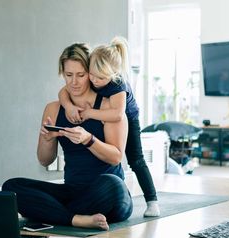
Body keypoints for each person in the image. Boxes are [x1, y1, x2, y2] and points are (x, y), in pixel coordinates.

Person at [2, 43, 133, 230]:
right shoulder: (54, 109)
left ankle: (52, 213)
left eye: (81, 75)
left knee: (113, 185)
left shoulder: (108, 108)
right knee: (11, 187)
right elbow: (44, 160)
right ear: (62, 73)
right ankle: (76, 219)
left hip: (105, 193)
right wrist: (47, 140)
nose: (74, 82)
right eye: (68, 75)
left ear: (91, 72)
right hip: (73, 192)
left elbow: (115, 157)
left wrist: (89, 140)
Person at [58, 37, 160, 217]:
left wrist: (90, 114)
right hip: (110, 115)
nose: (95, 81)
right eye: (91, 75)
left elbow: (117, 115)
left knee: (136, 160)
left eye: (101, 78)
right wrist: (69, 106)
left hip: (129, 117)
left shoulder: (118, 85)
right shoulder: (94, 77)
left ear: (112, 75)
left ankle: (152, 201)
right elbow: (63, 91)